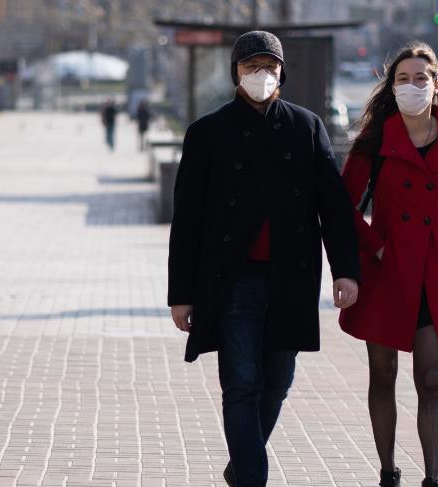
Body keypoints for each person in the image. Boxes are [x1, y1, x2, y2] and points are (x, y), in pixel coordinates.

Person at [167, 31, 361, 486]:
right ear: (235, 72)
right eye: (252, 66)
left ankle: (242, 468)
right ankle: (254, 478)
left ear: (282, 73)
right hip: (232, 280)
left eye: (269, 67)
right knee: (242, 384)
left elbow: (333, 205)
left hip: (290, 278)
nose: (262, 75)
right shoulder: (207, 133)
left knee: (277, 382)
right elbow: (187, 220)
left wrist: (346, 270)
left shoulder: (305, 126)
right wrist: (181, 295)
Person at [337, 41, 438, 487]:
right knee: (382, 375)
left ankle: (433, 479)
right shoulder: (376, 139)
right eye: (403, 78)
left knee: (431, 378)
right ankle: (387, 472)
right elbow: (344, 207)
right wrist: (375, 248)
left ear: (437, 85)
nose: (413, 85)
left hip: (436, 277)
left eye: (422, 78)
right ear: (392, 86)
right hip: (386, 274)